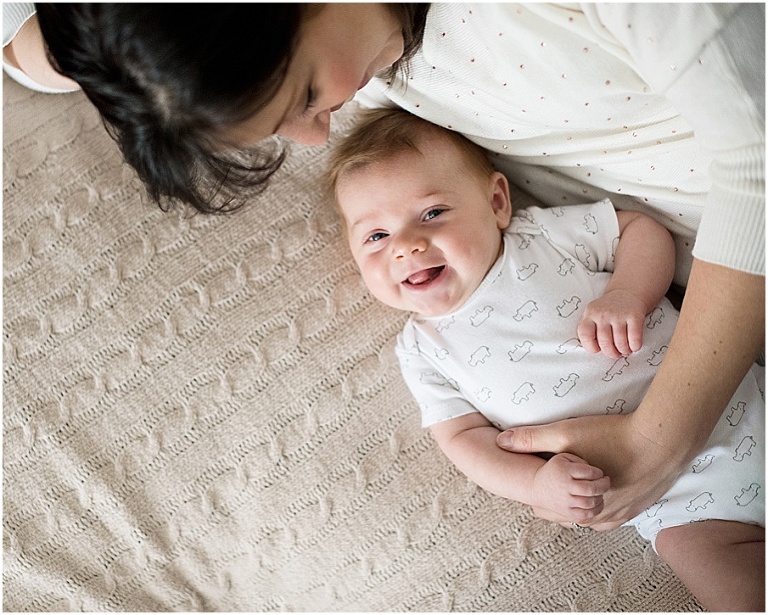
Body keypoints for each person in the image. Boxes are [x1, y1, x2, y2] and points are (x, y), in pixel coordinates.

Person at [7, 3, 765, 537]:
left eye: (304, 95)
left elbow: (757, 159)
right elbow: (33, 41)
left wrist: (659, 444)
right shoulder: (354, 55)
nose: (320, 134)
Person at [327, 107, 765, 612]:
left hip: (732, 393)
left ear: (496, 202)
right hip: (683, 506)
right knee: (729, 587)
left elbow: (639, 232)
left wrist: (628, 293)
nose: (406, 246)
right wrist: (536, 482)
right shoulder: (423, 350)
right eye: (376, 237)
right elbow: (465, 441)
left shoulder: (541, 238)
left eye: (432, 214)